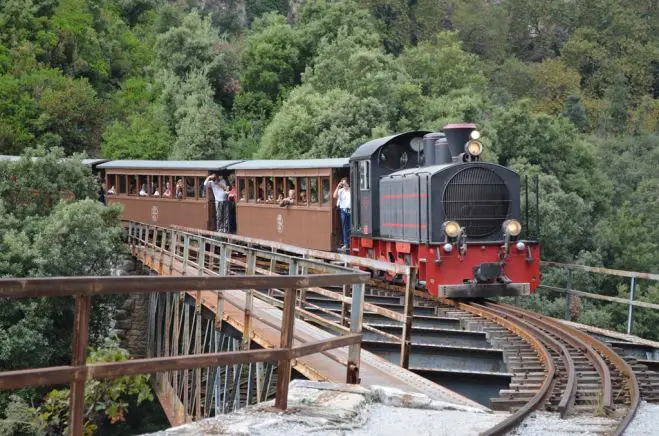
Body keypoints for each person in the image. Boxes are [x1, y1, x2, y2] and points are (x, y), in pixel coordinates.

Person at [333, 177, 351, 251]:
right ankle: (346, 243)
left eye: (344, 182)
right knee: (344, 227)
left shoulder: (350, 189)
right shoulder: (340, 190)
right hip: (343, 210)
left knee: (350, 227)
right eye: (342, 183)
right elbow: (334, 196)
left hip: (350, 210)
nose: (343, 184)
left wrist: (347, 186)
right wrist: (338, 187)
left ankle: (350, 243)